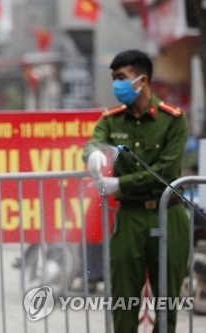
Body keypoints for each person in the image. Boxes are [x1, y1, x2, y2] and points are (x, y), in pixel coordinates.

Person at [83, 49, 189, 333]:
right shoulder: (112, 119)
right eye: (113, 78)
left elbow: (165, 173)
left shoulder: (173, 120)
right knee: (123, 301)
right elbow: (94, 142)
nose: (115, 84)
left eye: (121, 77)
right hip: (129, 218)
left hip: (168, 216)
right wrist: (93, 154)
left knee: (167, 304)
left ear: (142, 80)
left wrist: (120, 184)